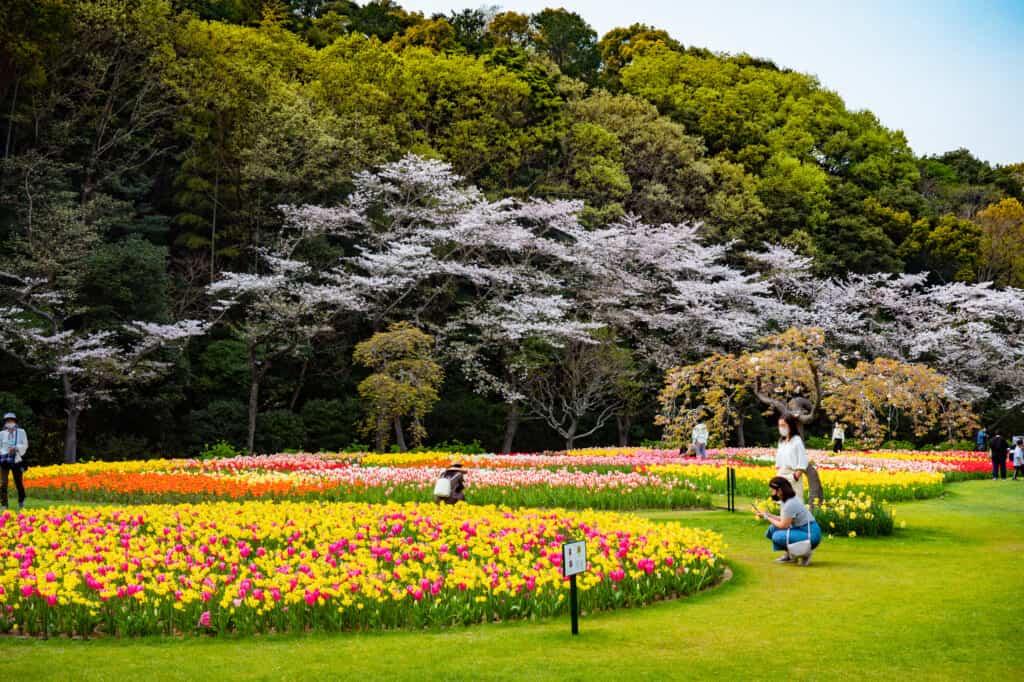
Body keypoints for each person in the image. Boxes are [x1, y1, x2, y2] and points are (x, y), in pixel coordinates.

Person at [755, 476, 822, 566]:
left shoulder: (790, 503)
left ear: (779, 490)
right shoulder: (786, 500)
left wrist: (767, 518)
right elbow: (785, 518)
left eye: (772, 490)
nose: (771, 492)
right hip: (803, 530)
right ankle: (789, 556)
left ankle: (805, 553)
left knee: (777, 536)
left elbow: (783, 525)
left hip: (811, 534)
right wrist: (766, 514)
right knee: (773, 529)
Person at [775, 414, 808, 500]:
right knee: (783, 507)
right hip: (781, 476)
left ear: (790, 426)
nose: (781, 428)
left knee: (794, 505)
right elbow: (778, 463)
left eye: (783, 425)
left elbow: (802, 463)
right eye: (779, 426)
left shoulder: (797, 441)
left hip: (792, 476)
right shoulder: (781, 442)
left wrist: (795, 477)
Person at [1, 413, 28, 512]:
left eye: (11, 420)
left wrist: (16, 448)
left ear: (15, 421)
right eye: (7, 421)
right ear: (5, 423)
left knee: (18, 482)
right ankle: (4, 504)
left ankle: (21, 500)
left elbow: (25, 444)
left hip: (16, 460)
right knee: (3, 483)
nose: (9, 422)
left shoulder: (21, 432)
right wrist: (4, 452)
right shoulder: (1, 434)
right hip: (4, 460)